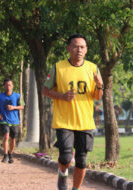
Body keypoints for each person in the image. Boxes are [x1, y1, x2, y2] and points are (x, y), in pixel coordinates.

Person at [42, 34, 103, 190]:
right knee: (65, 157)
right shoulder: (58, 67)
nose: (79, 50)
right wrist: (61, 96)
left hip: (85, 122)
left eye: (82, 47)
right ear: (68, 48)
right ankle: (62, 174)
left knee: (82, 160)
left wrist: (100, 86)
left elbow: (97, 96)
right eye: (75, 46)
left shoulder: (93, 68)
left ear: (86, 50)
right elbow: (45, 90)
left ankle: (75, 189)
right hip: (64, 121)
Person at [0, 79, 24, 164]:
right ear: (4, 86)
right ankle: (5, 155)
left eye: (10, 85)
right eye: (6, 85)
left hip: (14, 120)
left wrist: (13, 107)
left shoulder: (17, 96)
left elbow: (22, 106)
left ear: (12, 86)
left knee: (13, 139)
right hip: (4, 120)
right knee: (6, 136)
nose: (8, 87)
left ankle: (10, 154)